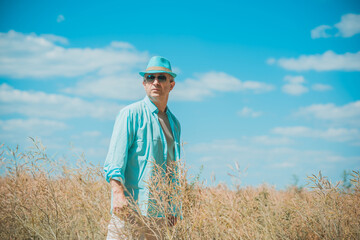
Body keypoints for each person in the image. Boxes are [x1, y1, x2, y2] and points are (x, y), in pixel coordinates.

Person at [104, 56, 181, 239]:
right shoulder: (130, 114)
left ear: (171, 84)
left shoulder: (175, 124)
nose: (155, 82)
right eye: (150, 77)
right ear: (144, 83)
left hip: (160, 215)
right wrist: (118, 195)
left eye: (161, 77)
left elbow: (173, 168)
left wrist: (174, 207)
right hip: (130, 209)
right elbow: (115, 160)